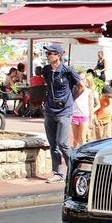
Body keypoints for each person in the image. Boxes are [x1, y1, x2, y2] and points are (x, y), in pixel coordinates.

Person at [41, 44, 81, 184]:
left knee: (62, 142)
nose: (48, 56)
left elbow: (81, 87)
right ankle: (57, 173)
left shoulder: (67, 71)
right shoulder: (46, 70)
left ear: (59, 55)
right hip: (50, 110)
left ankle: (74, 170)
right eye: (47, 54)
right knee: (53, 144)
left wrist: (70, 99)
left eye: (51, 53)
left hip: (64, 111)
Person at [71, 72, 95, 147]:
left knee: (82, 136)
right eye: (80, 79)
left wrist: (91, 119)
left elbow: (90, 105)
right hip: (74, 115)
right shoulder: (74, 91)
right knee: (76, 138)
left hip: (84, 116)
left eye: (84, 79)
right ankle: (75, 152)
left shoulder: (89, 91)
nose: (82, 81)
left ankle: (82, 153)